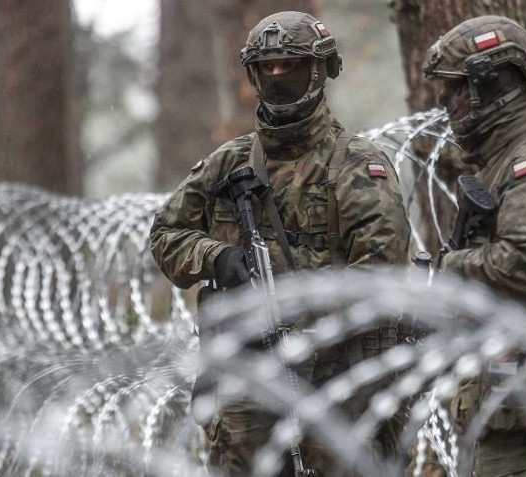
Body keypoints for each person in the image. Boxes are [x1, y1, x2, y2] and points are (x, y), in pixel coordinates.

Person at [148, 11, 411, 476]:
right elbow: (165, 234)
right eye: (266, 67)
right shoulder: (228, 162)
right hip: (245, 386)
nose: (276, 76)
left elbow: (380, 275)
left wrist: (298, 313)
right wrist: (218, 256)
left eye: (288, 64)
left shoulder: (355, 165)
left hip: (336, 385)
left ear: (318, 70)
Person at [412, 15, 526, 476]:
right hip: (509, 398)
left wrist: (451, 268)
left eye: (453, 89)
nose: (443, 101)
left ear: (488, 85)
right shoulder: (503, 161)